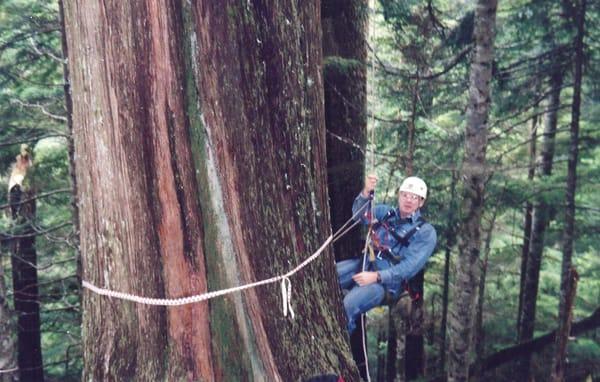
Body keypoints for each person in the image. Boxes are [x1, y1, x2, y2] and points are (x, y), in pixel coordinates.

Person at [337, 174, 437, 334]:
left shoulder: (425, 232)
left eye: (414, 197)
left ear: (421, 202)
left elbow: (409, 267)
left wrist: (377, 276)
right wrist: (366, 192)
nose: (408, 200)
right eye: (405, 195)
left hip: (384, 285)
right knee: (326, 275)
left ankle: (339, 346)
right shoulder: (385, 213)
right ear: (399, 195)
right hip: (362, 266)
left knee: (347, 306)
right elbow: (359, 216)